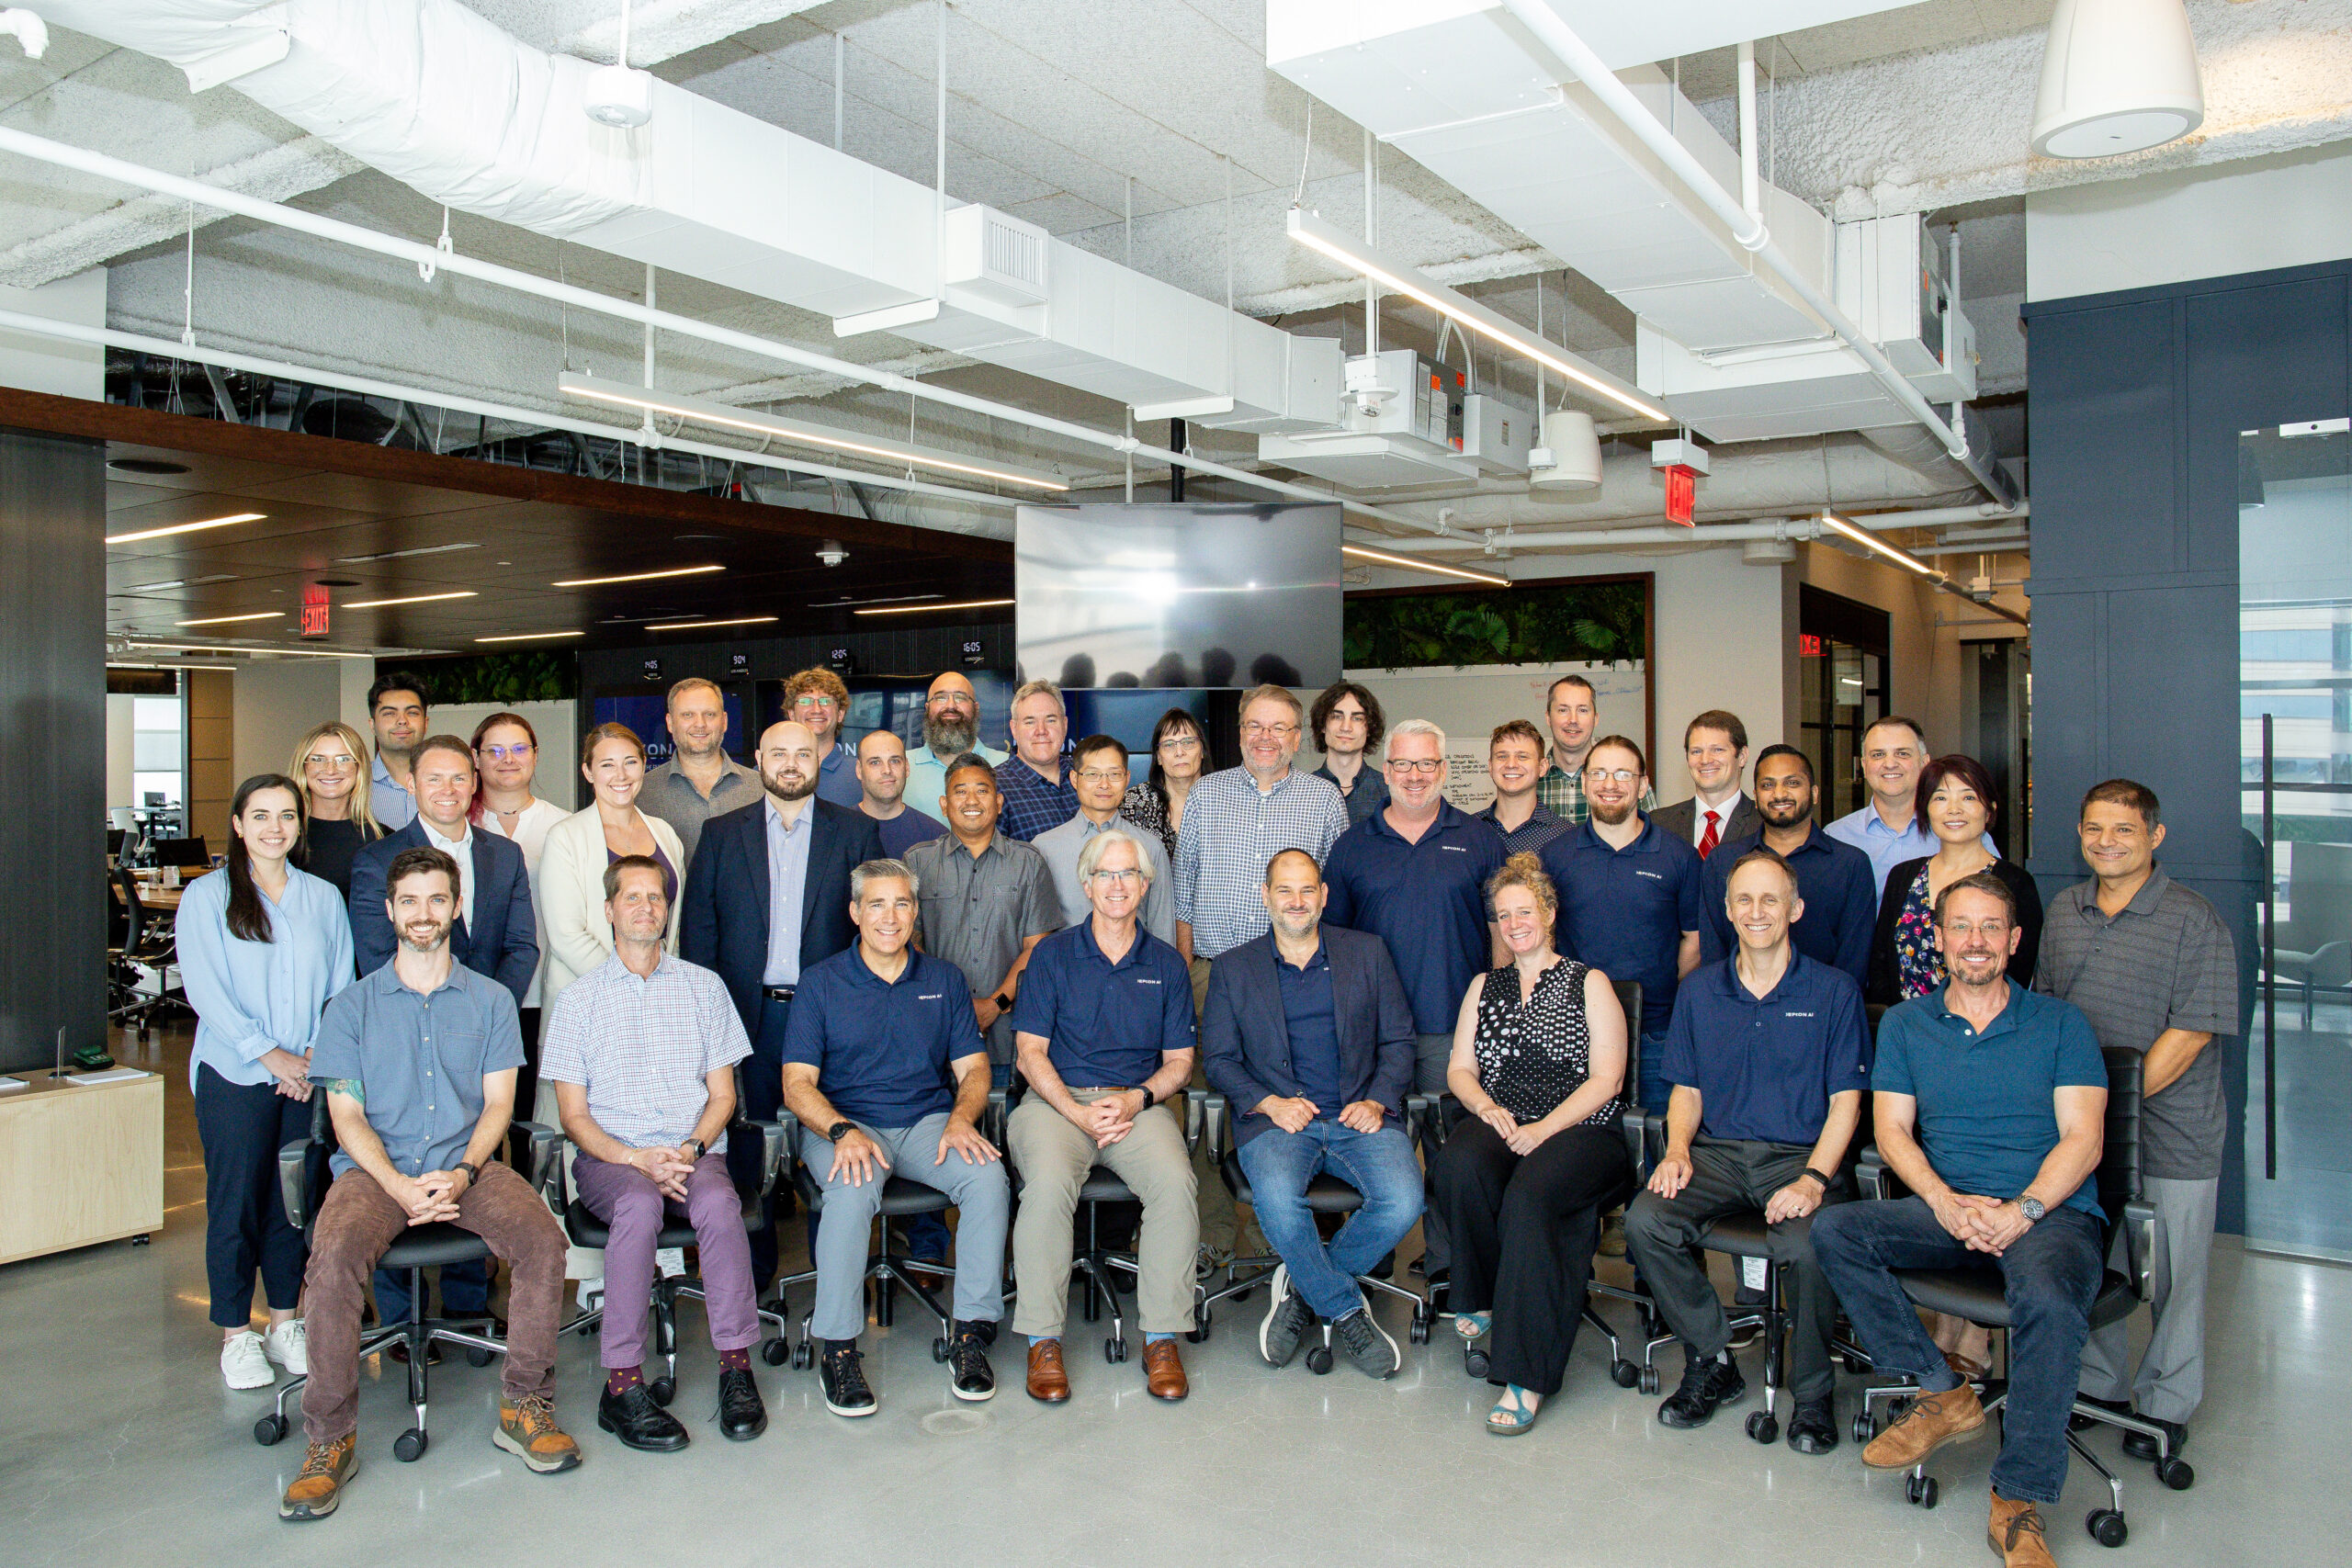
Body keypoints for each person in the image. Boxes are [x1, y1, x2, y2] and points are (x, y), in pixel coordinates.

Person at [1811, 873, 2108, 1568]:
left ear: (2014, 939)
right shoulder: (1906, 1024)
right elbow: (1892, 1133)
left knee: (2049, 1300)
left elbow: (2084, 1139)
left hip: (2048, 1214)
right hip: (1951, 1207)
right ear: (1939, 939)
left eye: (1991, 926)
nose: (1976, 941)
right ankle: (1942, 1391)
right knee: (1834, 1230)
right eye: (1961, 927)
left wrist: (2023, 1209)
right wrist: (1945, 1202)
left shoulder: (2061, 1023)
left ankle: (2018, 1501)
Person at [282, 847, 579, 1522]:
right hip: (373, 1172)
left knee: (542, 1241)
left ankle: (525, 1405)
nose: (424, 913)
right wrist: (396, 1183)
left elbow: (499, 1105)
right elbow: (346, 1115)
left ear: (456, 907)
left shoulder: (492, 1000)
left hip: (466, 1165)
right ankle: (329, 1439)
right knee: (332, 1257)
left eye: (437, 899)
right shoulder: (350, 1006)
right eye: (410, 901)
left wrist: (464, 1172)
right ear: (390, 911)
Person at [1623, 849, 1871, 1455]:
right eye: (1744, 900)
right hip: (1718, 1153)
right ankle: (1712, 1359)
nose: (1756, 911)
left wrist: (1814, 1178)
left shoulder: (1835, 991)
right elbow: (1687, 1089)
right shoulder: (1700, 990)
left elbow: (1847, 1103)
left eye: (1769, 899)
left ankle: (1812, 1395)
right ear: (1728, 911)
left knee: (1808, 1246)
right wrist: (1677, 1150)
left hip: (1800, 1156)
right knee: (1646, 1221)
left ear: (1795, 908)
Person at [2038, 779, 2236, 1464]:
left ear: (2155, 835)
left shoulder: (2193, 918)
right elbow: (2048, 1009)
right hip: (2084, 1130)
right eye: (2095, 828)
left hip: (2173, 1132)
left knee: (2176, 1280)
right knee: (2093, 1259)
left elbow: (2192, 1031)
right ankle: (2100, 1387)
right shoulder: (2065, 909)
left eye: (2124, 829)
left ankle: (2165, 1405)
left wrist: (2108, 1108)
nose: (2107, 842)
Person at [540, 855, 765, 1452]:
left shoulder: (704, 988)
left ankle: (736, 1369)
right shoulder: (578, 1001)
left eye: (656, 897)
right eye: (632, 896)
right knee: (638, 1207)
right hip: (611, 1161)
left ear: (668, 910)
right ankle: (622, 1385)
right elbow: (573, 1117)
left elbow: (723, 1096)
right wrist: (636, 1159)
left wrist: (689, 1149)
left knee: (719, 1206)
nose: (645, 906)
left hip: (693, 1152)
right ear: (609, 911)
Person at [781, 858, 1009, 1416]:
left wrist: (962, 1118)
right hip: (845, 1123)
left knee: (987, 1179)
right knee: (853, 1187)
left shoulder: (944, 980)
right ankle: (838, 1348)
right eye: (877, 904)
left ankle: (970, 1333)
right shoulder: (821, 982)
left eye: (902, 903)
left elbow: (974, 1069)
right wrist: (841, 1130)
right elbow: (797, 1084)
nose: (890, 917)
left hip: (927, 1123)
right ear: (855, 912)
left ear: (915, 912)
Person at [1430, 853, 1631, 1436]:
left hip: (1583, 1128)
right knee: (1459, 1163)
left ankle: (1525, 1376)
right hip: (1506, 1118)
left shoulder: (1588, 982)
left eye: (1525, 911)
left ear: (1548, 913)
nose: (1514, 923)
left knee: (1530, 1195)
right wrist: (1485, 1107)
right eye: (1503, 915)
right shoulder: (1484, 986)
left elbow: (1608, 1080)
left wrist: (1544, 1130)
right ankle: (1482, 1293)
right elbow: (1460, 1069)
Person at [1202, 847, 1422, 1379]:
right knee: (1279, 1201)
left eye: (1307, 890)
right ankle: (1346, 1310)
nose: (1296, 901)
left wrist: (1376, 1099)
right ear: (1266, 897)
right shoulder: (1233, 968)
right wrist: (1268, 1102)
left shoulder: (1367, 952)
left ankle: (1301, 1290)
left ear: (1323, 896)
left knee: (1404, 1200)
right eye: (1285, 890)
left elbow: (1399, 1041)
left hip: (1358, 1116)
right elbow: (1220, 1060)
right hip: (1277, 1122)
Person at [680, 719, 882, 1289]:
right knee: (751, 1142)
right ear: (758, 760)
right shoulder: (722, 834)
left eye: (803, 753)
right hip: (749, 1016)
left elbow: (878, 931)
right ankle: (753, 1274)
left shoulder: (856, 832)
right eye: (779, 753)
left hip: (832, 1017)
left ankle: (832, 1273)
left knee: (833, 1132)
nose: (791, 763)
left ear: (820, 758)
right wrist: (708, 1022)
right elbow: (699, 934)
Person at [347, 734, 539, 1331]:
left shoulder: (504, 854)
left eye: (460, 777)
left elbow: (522, 946)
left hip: (481, 1038)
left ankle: (465, 1303)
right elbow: (374, 954)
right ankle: (401, 1317)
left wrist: (483, 1015)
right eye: (434, 778)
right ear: (411, 784)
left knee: (471, 1156)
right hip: (401, 1033)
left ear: (475, 783)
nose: (448, 789)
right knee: (396, 1152)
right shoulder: (378, 860)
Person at [1008, 828, 1200, 1403]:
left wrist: (1138, 1098)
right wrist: (1075, 1110)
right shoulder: (1051, 956)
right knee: (1047, 1185)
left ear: (1145, 885)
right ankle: (1043, 1340)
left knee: (1175, 1183)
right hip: (1056, 1103)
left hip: (1134, 1104)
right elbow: (1029, 1052)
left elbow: (1180, 1062)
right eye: (1105, 874)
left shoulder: (1166, 964)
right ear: (1087, 885)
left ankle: (1161, 1337)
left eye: (1129, 874)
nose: (1117, 885)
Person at [177, 774, 353, 1390]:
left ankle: (284, 1322)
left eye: (286, 815)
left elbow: (340, 984)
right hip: (235, 1072)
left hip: (305, 1075)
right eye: (260, 815)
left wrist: (312, 1055)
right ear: (238, 824)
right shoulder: (206, 896)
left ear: (299, 825)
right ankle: (236, 1334)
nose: (274, 828)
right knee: (236, 1204)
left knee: (293, 1204)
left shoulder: (322, 897)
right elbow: (205, 989)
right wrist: (271, 1056)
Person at [1172, 683, 1346, 1267]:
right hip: (1213, 973)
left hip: (1294, 975)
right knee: (1206, 1104)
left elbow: (1333, 897)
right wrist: (1185, 975)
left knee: (1289, 1098)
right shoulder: (1206, 794)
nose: (1266, 738)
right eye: (1255, 726)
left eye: (1279, 728)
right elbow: (1184, 893)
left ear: (1298, 738)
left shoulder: (1323, 800)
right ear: (1240, 731)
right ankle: (1216, 1233)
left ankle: (1282, 1236)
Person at [1536, 734, 1703, 1113]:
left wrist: (1660, 985)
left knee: (1658, 1138)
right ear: (1584, 783)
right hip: (1573, 1031)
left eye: (1623, 774)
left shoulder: (1679, 857)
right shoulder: (1554, 857)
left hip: (1656, 1034)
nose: (1609, 784)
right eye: (1599, 773)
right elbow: (1542, 942)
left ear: (1643, 785)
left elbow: (1693, 941)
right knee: (1578, 1142)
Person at [904, 754, 1060, 1087]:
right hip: (937, 1036)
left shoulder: (1029, 862)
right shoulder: (917, 862)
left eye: (982, 790)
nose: (971, 800)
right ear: (944, 805)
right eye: (960, 792)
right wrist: (951, 1006)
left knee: (1008, 1117)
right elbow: (908, 945)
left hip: (1009, 1038)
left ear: (999, 802)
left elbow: (1038, 948)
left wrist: (994, 1004)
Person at [1870, 753, 2044, 1006]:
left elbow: (2020, 971)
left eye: (1968, 797)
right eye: (1940, 798)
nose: (1954, 809)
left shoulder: (2015, 883)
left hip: (1987, 1025)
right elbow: (1881, 963)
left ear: (1990, 810)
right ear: (1925, 809)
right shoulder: (1902, 876)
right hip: (1909, 1023)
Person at [1699, 745, 1877, 989]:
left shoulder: (1851, 864)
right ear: (1755, 796)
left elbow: (1854, 959)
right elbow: (1714, 952)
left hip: (1824, 1005)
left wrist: (1831, 1004)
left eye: (1792, 783)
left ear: (1814, 793)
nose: (1779, 794)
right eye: (1768, 785)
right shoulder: (1723, 861)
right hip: (1739, 1004)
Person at [539, 725, 687, 1012]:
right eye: (607, 765)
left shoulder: (665, 834)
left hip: (659, 997)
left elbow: (676, 927)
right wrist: (628, 987)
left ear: (644, 765)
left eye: (630, 762)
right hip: (589, 999)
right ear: (588, 772)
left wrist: (661, 984)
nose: (621, 775)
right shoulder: (565, 837)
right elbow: (566, 936)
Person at [469, 711, 571, 1119]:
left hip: (546, 993)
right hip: (475, 993)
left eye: (518, 748)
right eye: (494, 750)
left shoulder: (564, 826)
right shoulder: (458, 824)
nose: (507, 759)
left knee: (534, 1114)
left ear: (535, 755)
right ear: (475, 759)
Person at [1826, 715, 1996, 901]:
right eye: (1878, 755)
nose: (1890, 764)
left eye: (1902, 753)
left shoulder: (1962, 832)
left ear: (1924, 762)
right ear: (1864, 766)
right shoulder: (1836, 837)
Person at [1033, 734, 1173, 943]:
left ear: (1127, 778)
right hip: (1067, 962)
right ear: (1074, 779)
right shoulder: (1044, 848)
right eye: (1093, 774)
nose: (1104, 784)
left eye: (1114, 774)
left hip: (1135, 962)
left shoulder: (1150, 847)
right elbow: (1035, 934)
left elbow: (1163, 931)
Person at [641, 677, 761, 872]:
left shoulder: (761, 788)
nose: (700, 724)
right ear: (670, 722)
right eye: (688, 715)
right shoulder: (644, 793)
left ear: (724, 721)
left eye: (709, 714)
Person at [1533, 675, 1653, 825]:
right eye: (1563, 710)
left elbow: (1651, 834)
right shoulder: (1531, 779)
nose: (1573, 720)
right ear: (1548, 718)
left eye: (1582, 710)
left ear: (1595, 718)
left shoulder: (1628, 781)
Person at [287, 721, 382, 897]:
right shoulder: (284, 836)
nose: (330, 770)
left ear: (359, 767)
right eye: (318, 759)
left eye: (343, 759)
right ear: (303, 766)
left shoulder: (383, 839)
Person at [903, 671, 1007, 827]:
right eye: (940, 697)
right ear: (927, 708)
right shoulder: (900, 767)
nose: (950, 705)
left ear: (976, 708)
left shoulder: (1007, 765)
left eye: (960, 697)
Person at [1651, 710, 1760, 857]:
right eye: (1696, 751)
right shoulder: (1658, 825)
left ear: (1742, 756)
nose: (1705, 760)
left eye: (1717, 750)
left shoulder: (1763, 825)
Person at [1121, 706, 1210, 863]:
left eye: (1188, 742)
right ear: (1159, 757)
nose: (1179, 752)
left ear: (1202, 751)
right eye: (1169, 745)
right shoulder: (1134, 802)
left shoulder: (1223, 800)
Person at [993, 679, 1078, 841]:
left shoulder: (1086, 773)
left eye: (1050, 720)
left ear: (1065, 725)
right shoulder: (993, 787)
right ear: (1014, 729)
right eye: (1030, 722)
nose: (1041, 731)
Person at [1476, 719, 1569, 857]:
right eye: (1502, 756)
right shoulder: (1468, 830)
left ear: (1542, 767)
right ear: (1490, 766)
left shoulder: (1565, 836)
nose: (1511, 764)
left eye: (1522, 757)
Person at [854, 728, 946, 859]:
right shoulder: (840, 831)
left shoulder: (935, 837)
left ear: (907, 767)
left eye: (894, 761)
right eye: (875, 762)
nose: (887, 770)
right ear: (859, 770)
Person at [1309, 680, 1389, 829]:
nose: (1346, 727)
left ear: (1370, 728)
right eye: (1337, 716)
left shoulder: (1388, 793)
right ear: (1322, 725)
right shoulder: (1303, 792)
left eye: (1357, 718)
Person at [783, 666, 863, 809]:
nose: (816, 709)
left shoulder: (862, 775)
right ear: (791, 714)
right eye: (806, 701)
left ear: (840, 714)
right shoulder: (766, 774)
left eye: (826, 701)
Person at [364, 671, 428, 831]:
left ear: (425, 723)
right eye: (389, 713)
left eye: (412, 713)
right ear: (372, 725)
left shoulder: (447, 784)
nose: (402, 721)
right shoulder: (356, 785)